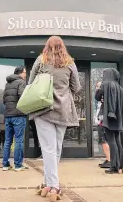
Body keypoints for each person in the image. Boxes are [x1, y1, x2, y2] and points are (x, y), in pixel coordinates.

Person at [28, 36, 80, 201]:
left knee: (49, 149)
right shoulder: (70, 62)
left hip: (43, 109)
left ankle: (53, 186)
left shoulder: (41, 60)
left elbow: (31, 83)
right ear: (63, 46)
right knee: (56, 148)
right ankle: (47, 184)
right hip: (63, 110)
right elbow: (76, 87)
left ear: (47, 46)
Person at [95, 68, 123, 174]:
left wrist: (99, 88)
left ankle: (114, 166)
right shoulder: (119, 88)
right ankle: (120, 165)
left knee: (111, 141)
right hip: (118, 118)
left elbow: (97, 97)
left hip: (109, 117)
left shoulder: (105, 85)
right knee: (118, 141)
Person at [2, 66, 29, 171]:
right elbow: (22, 96)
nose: (25, 75)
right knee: (19, 141)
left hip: (8, 116)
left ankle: (5, 164)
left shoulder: (7, 84)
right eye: (25, 72)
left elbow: (4, 100)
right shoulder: (21, 82)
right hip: (18, 115)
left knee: (8, 141)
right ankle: (18, 165)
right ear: (20, 73)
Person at [95, 81, 111, 168]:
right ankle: (108, 159)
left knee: (104, 140)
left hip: (103, 122)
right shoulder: (99, 101)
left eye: (99, 87)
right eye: (97, 86)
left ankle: (109, 160)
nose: (98, 88)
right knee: (103, 141)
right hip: (100, 121)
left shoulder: (104, 98)